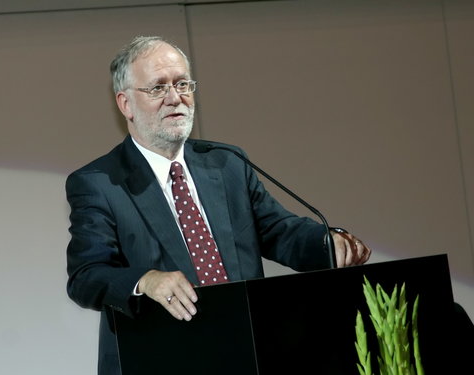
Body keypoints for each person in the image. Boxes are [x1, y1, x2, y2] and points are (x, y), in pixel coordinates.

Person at [65, 35, 372, 375]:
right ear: (125, 104)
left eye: (182, 84)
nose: (175, 98)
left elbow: (277, 231)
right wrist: (146, 281)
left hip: (246, 352)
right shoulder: (100, 182)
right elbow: (86, 277)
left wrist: (328, 243)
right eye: (157, 88)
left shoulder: (226, 162)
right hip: (160, 359)